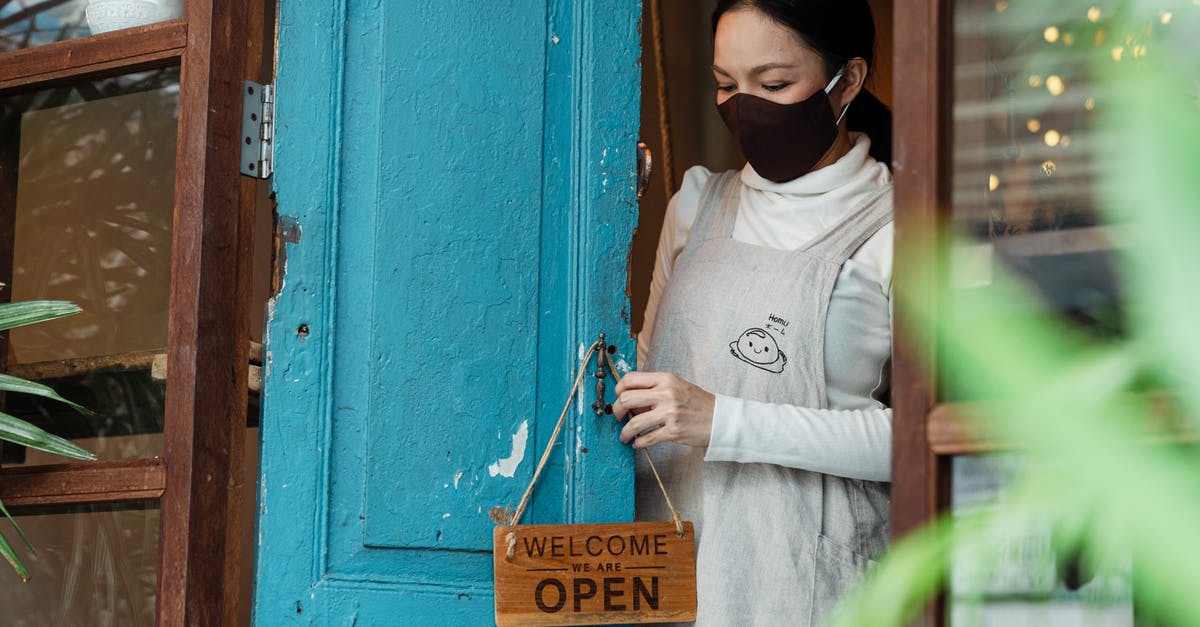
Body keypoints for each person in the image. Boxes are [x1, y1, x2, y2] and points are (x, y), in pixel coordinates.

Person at [610, 1, 894, 624]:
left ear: (846, 80)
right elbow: (649, 370)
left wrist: (725, 421)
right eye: (724, 85)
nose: (744, 106)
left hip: (808, 584)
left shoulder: (896, 227)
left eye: (772, 85)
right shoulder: (695, 204)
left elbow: (915, 441)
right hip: (666, 573)